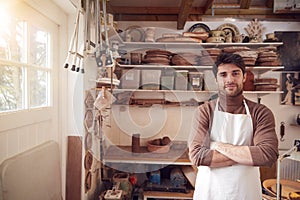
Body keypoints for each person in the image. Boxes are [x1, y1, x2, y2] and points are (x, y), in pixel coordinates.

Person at [188, 52, 278, 200]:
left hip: (246, 193)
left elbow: (267, 155)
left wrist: (217, 146)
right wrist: (248, 156)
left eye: (235, 73)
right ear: (216, 79)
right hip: (210, 193)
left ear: (244, 77)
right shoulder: (204, 112)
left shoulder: (260, 112)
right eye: (223, 74)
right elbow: (197, 156)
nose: (229, 79)